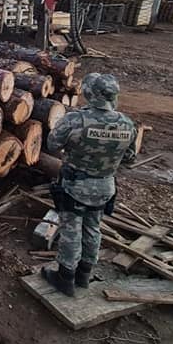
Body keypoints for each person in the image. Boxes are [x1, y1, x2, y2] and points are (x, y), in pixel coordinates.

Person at [42, 73, 137, 297]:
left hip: (76, 186)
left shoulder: (76, 119)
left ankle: (65, 277)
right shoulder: (127, 123)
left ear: (90, 94)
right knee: (93, 228)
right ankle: (84, 274)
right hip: (105, 186)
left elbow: (52, 144)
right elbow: (130, 157)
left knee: (71, 230)